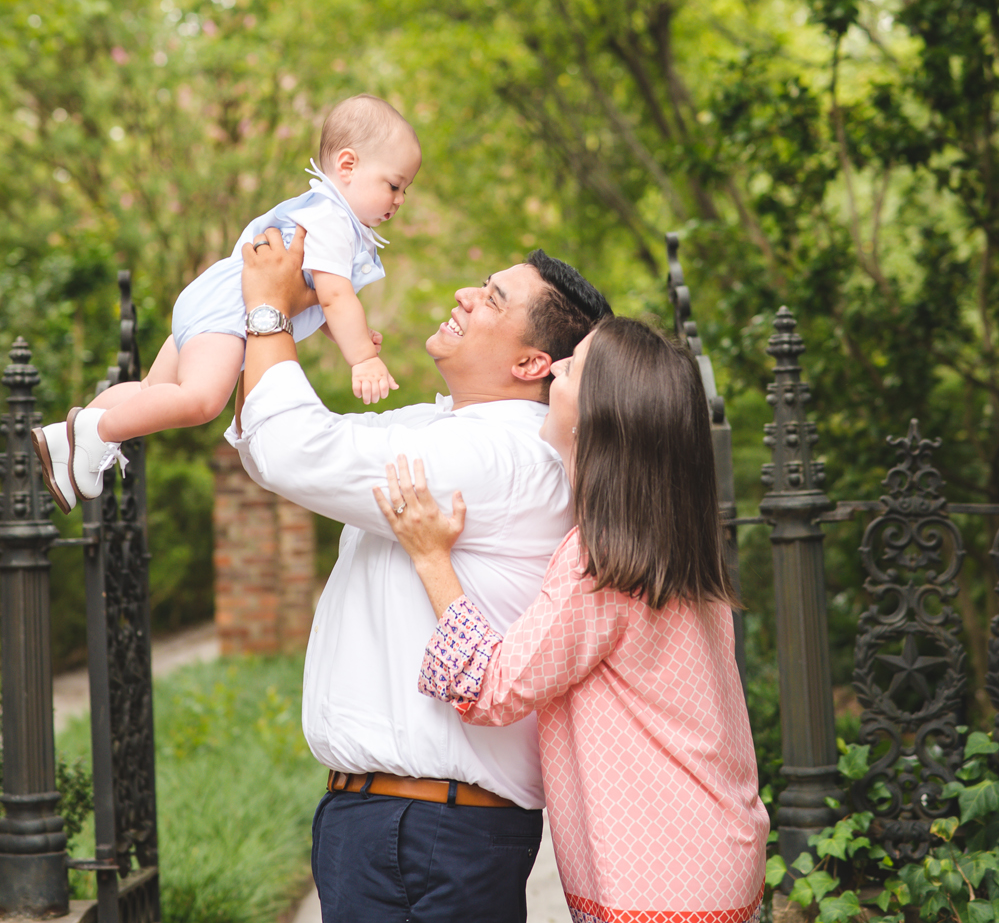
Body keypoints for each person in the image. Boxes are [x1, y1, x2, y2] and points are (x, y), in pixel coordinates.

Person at [226, 224, 612, 923]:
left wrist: (265, 308)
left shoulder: (496, 457)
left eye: (493, 298)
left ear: (531, 363)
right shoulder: (446, 430)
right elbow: (273, 444)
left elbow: (293, 451)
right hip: (397, 821)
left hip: (423, 830)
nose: (466, 294)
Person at [375, 316, 769, 923]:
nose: (556, 367)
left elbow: (492, 688)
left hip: (659, 881)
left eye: (573, 366)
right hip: (707, 856)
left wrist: (431, 558)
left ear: (599, 415)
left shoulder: (598, 563)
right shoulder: (667, 543)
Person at [33, 93, 421, 513]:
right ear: (348, 166)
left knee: (154, 390)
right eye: (394, 185)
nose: (400, 199)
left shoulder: (322, 212)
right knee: (201, 401)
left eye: (406, 189)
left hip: (212, 299)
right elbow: (334, 294)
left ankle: (68, 442)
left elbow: (314, 300)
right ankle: (99, 434)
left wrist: (343, 331)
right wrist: (361, 356)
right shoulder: (333, 221)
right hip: (228, 313)